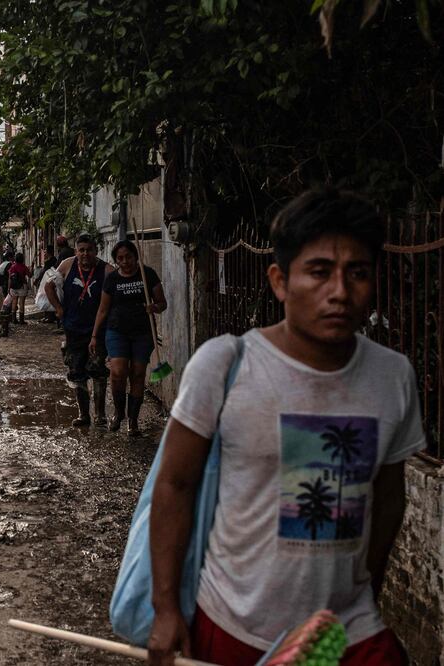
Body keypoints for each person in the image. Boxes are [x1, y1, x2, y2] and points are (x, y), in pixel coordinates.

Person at [146, 189, 421, 666]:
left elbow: (389, 495)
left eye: (356, 273)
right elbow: (174, 484)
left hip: (345, 631)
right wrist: (166, 607)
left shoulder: (392, 375)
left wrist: (367, 591)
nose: (339, 291)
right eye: (319, 272)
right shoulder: (227, 364)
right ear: (279, 281)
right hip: (236, 625)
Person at [90, 239, 167, 433]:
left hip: (142, 332)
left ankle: (133, 421)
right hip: (116, 331)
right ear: (116, 260)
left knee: (138, 373)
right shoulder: (112, 279)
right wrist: (94, 336)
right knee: (118, 372)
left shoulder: (147, 274)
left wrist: (154, 307)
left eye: (128, 257)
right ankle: (118, 413)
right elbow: (102, 309)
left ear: (135, 256)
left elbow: (162, 303)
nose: (125, 261)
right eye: (120, 258)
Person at [46, 234, 112, 426]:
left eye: (89, 250)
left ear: (95, 251)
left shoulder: (106, 269)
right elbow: (49, 286)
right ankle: (84, 415)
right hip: (73, 328)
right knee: (76, 370)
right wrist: (59, 309)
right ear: (76, 251)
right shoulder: (67, 265)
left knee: (98, 371)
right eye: (81, 250)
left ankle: (100, 416)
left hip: (97, 330)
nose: (85, 254)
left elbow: (117, 288)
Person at [7, 252, 32, 324]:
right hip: (22, 286)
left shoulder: (12, 267)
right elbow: (30, 275)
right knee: (21, 303)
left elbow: (10, 278)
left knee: (14, 302)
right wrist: (31, 269)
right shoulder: (24, 267)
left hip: (13, 287)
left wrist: (9, 288)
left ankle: (14, 319)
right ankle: (21, 320)